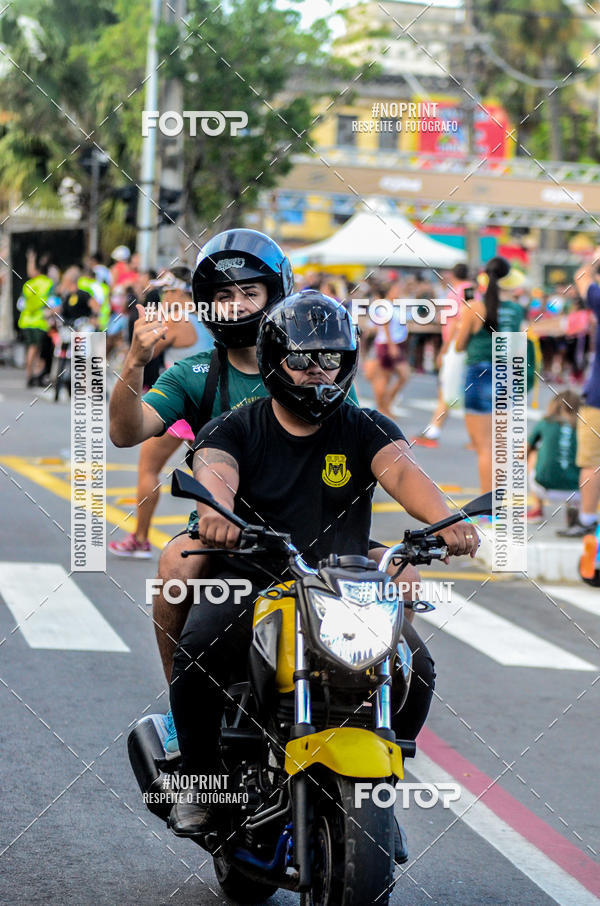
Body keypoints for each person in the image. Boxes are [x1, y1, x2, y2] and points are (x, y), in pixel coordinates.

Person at [167, 290, 478, 837]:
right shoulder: (236, 428)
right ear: (272, 360)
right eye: (303, 358)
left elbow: (404, 474)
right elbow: (214, 471)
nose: (317, 371)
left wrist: (446, 520)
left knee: (417, 670)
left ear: (348, 361)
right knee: (199, 649)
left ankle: (377, 790)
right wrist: (216, 512)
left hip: (344, 588)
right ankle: (199, 780)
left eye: (330, 358)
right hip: (255, 579)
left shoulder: (365, 427)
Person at [109, 268, 212, 558]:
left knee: (148, 470)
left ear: (180, 292)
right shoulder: (209, 317)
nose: (164, 297)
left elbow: (145, 353)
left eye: (167, 291)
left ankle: (140, 538)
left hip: (180, 408)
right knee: (210, 475)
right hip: (208, 407)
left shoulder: (176, 321)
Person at [454, 257, 525, 494]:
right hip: (508, 373)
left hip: (480, 373)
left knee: (484, 447)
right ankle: (502, 500)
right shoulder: (516, 310)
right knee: (501, 445)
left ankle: (488, 507)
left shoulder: (475, 308)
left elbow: (459, 346)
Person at [557, 251, 600, 537]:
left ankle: (586, 520)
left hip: (598, 400)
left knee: (591, 462)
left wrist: (595, 261)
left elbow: (582, 275)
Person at [413, 263, 472, 448]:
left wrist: (444, 348)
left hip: (455, 345)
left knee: (447, 388)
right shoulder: (468, 290)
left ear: (452, 274)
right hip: (460, 345)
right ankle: (434, 428)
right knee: (450, 390)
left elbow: (457, 321)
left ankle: (435, 429)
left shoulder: (459, 291)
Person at [527, 390, 580, 526]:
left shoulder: (545, 423)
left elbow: (522, 452)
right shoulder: (583, 426)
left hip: (545, 488)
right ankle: (575, 508)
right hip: (578, 491)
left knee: (533, 453)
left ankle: (537, 508)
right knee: (584, 458)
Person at [18, 250, 54, 387]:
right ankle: (37, 375)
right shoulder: (48, 283)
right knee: (39, 350)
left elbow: (21, 304)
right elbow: (52, 302)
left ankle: (29, 374)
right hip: (40, 321)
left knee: (30, 349)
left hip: (26, 321)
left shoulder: (28, 284)